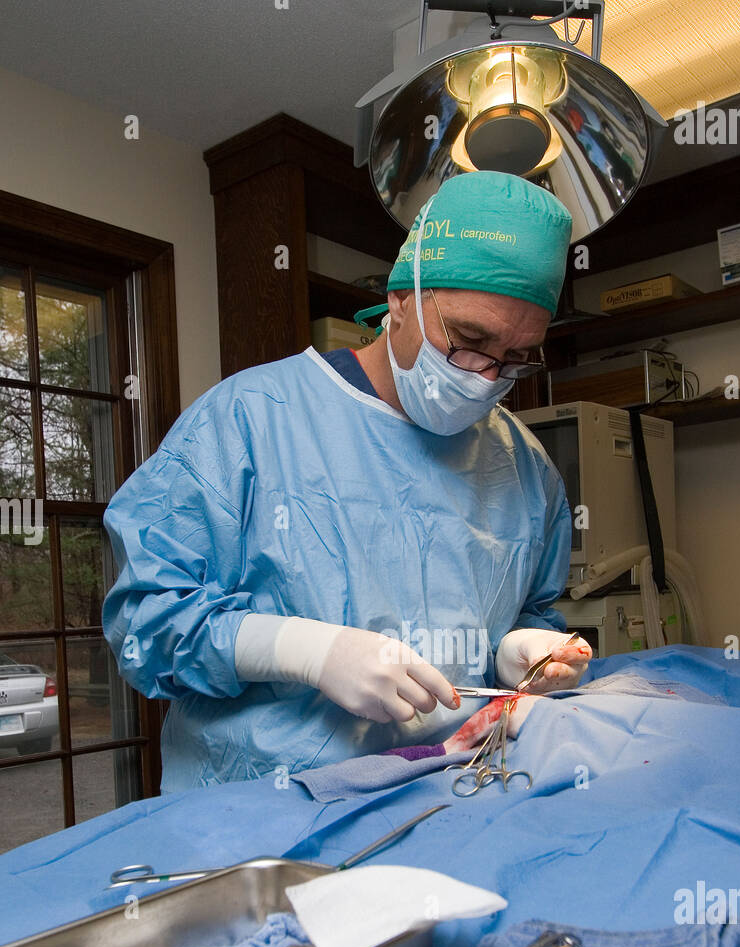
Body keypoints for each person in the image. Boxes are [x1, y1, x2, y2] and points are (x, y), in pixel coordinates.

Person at [102, 171, 592, 791]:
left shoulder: (525, 469)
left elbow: (526, 608)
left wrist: (516, 650)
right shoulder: (250, 420)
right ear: (402, 297)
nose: (487, 375)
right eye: (469, 340)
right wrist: (306, 651)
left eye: (518, 357)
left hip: (451, 793)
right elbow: (146, 624)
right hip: (263, 816)